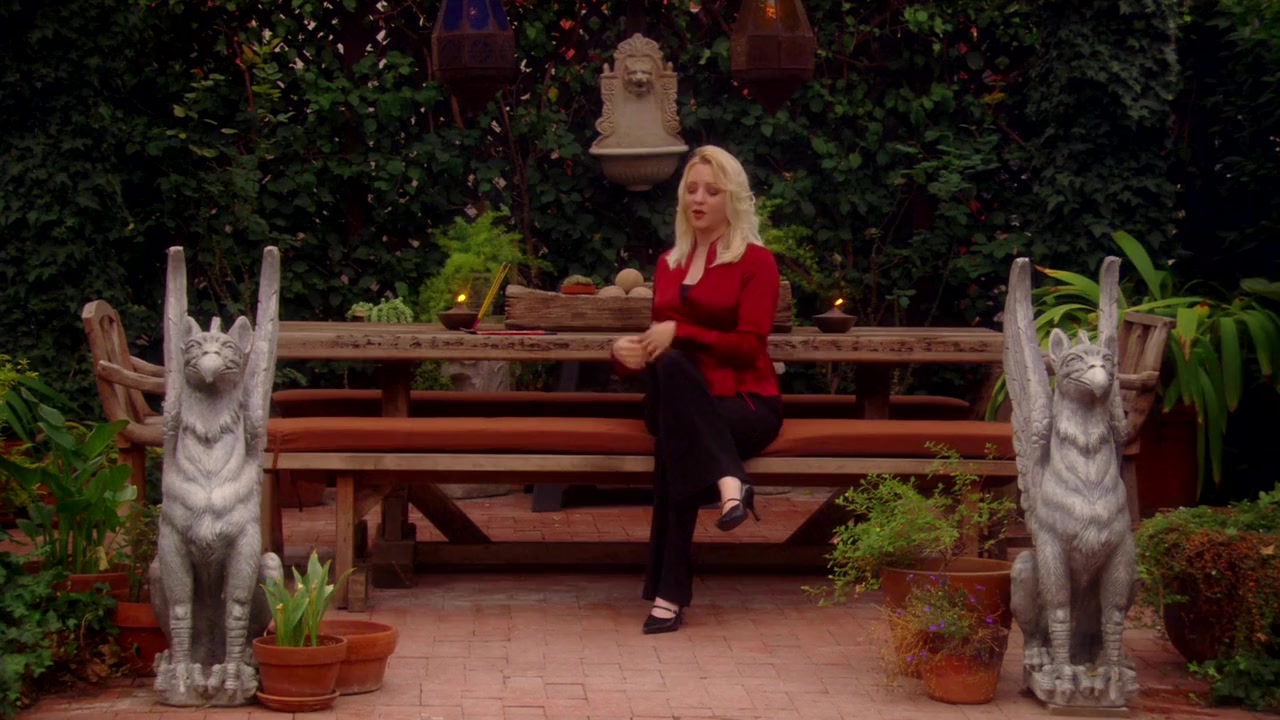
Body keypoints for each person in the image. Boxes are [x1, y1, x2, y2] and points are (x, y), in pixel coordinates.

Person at [610, 145, 784, 635]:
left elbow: (749, 348)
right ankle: (730, 481)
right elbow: (657, 349)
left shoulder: (756, 262)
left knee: (676, 441)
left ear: (733, 199)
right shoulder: (669, 263)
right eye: (691, 190)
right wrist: (623, 355)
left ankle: (667, 597)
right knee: (672, 372)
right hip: (677, 397)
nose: (699, 199)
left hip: (744, 405)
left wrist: (679, 333)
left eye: (712, 190)